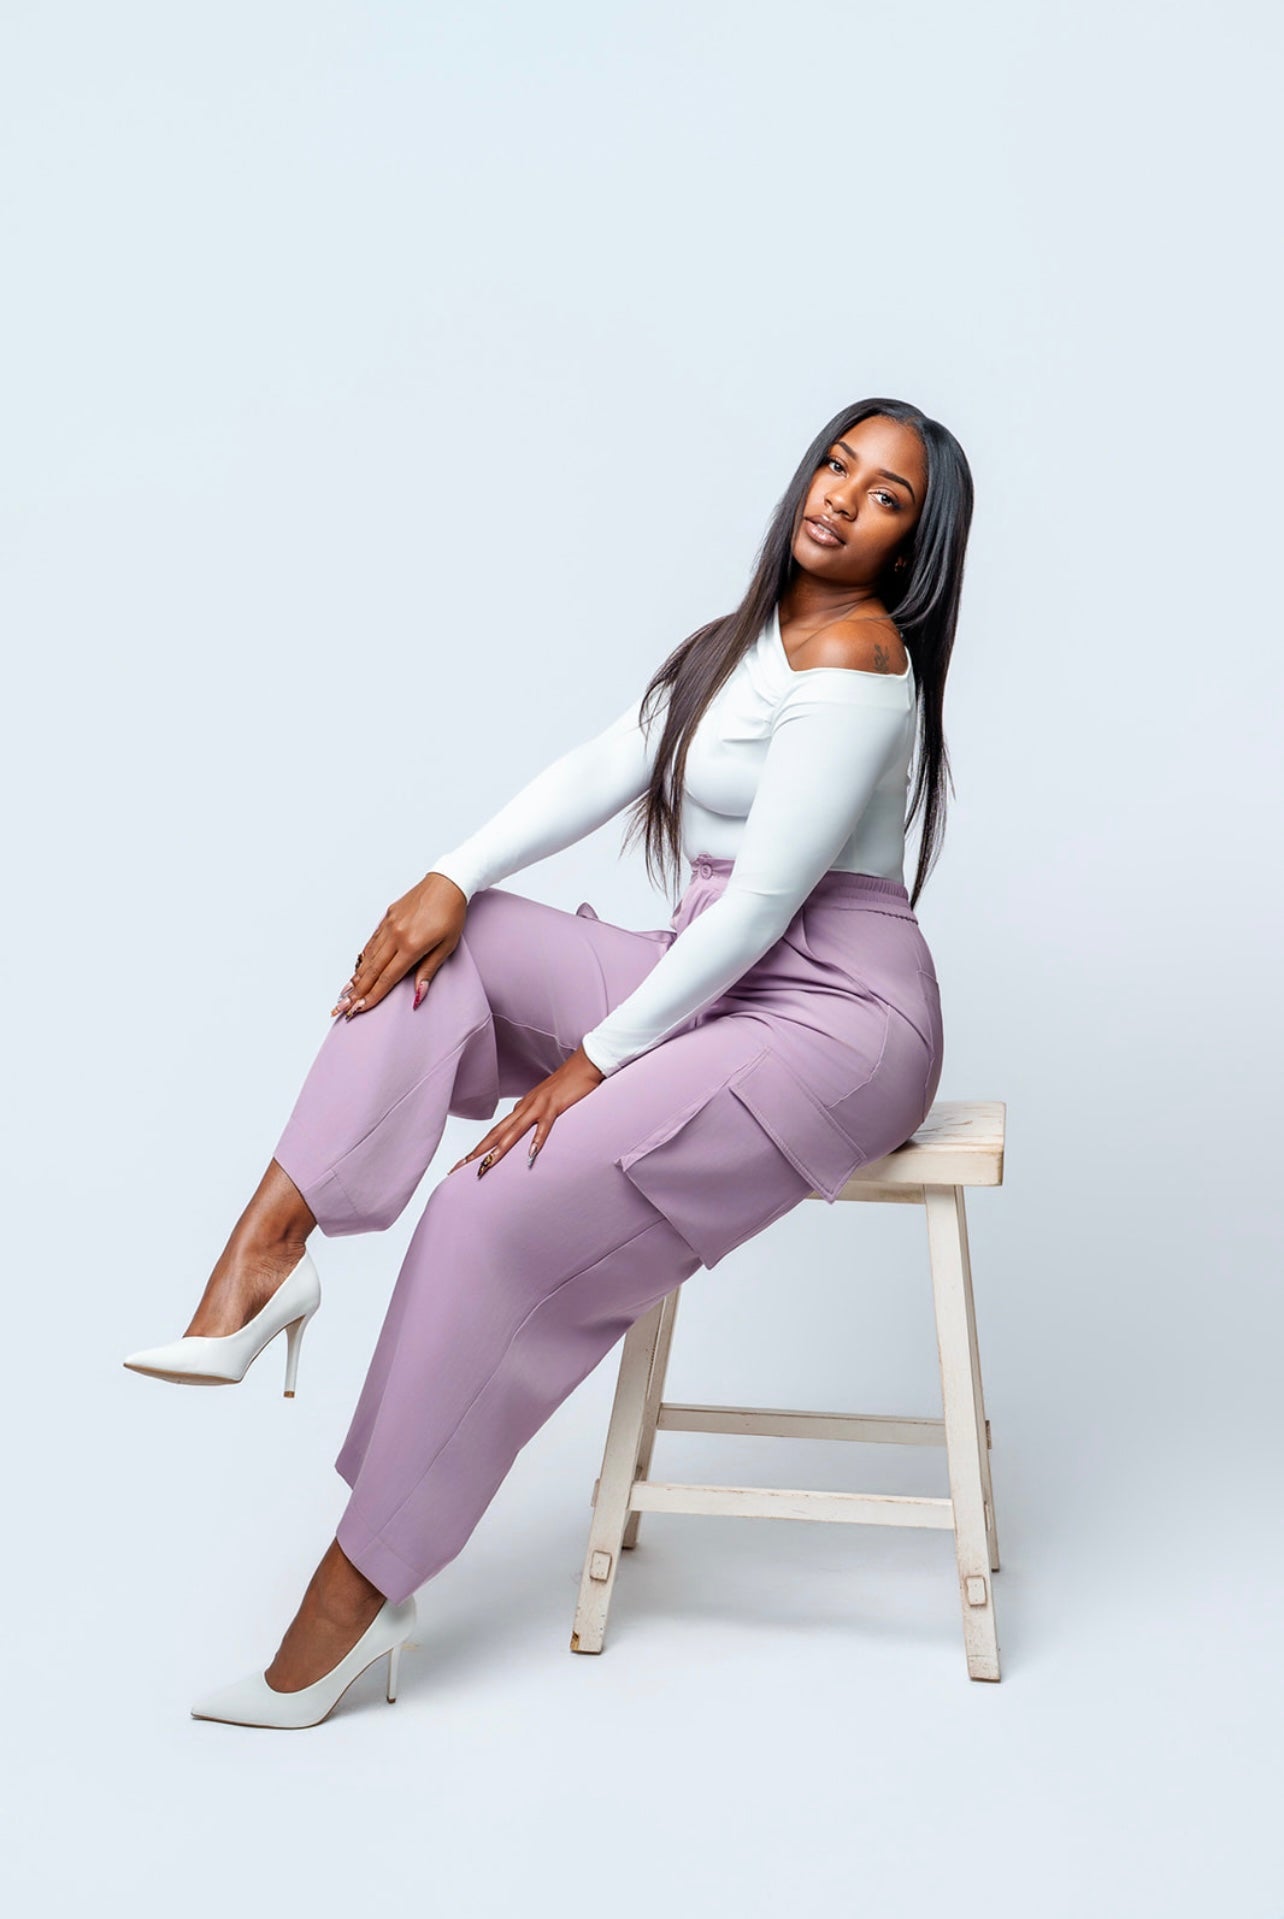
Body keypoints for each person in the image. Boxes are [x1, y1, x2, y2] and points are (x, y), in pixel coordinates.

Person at [122, 397, 972, 1729]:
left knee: (489, 1210)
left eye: (885, 499)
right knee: (449, 948)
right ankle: (265, 1263)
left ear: (912, 548)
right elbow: (609, 762)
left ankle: (354, 1602)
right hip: (721, 965)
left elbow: (761, 911)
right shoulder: (743, 640)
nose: (840, 499)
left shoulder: (863, 662)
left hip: (832, 1024)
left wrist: (595, 1062)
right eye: (835, 465)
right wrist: (452, 874)